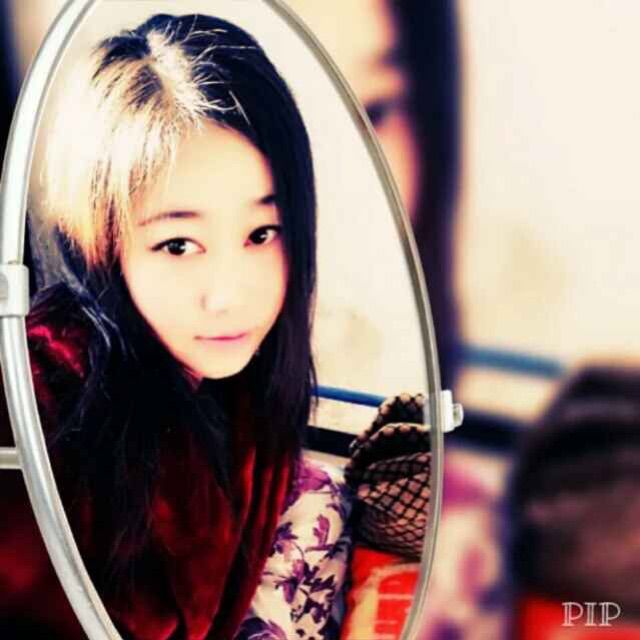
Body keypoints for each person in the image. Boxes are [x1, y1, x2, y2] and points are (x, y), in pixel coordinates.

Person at [0, 13, 351, 639]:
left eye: (261, 234)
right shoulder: (38, 399)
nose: (228, 296)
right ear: (101, 243)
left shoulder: (248, 396)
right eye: (178, 245)